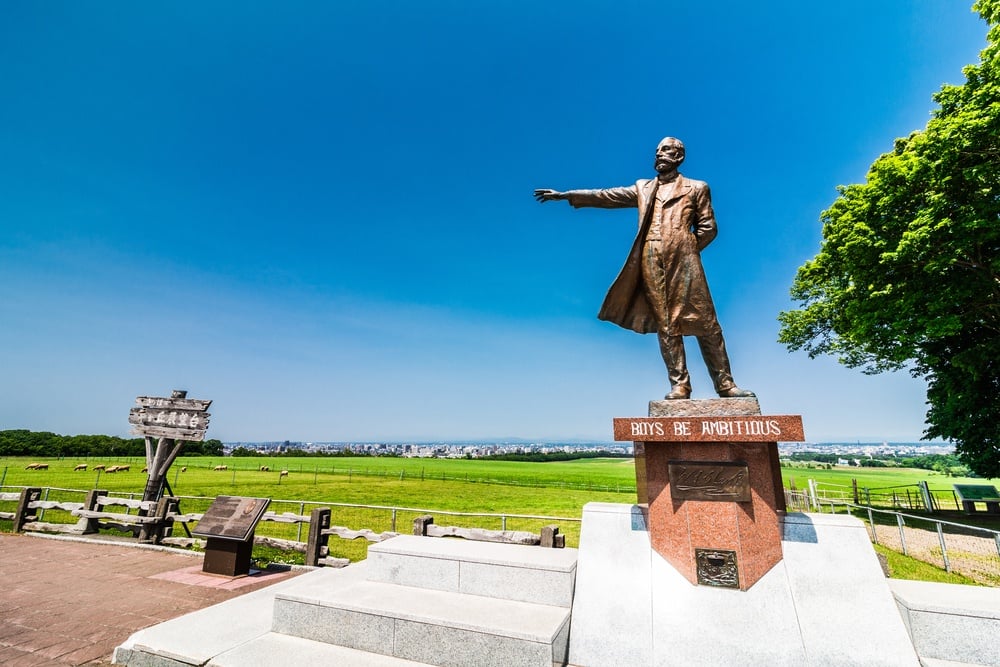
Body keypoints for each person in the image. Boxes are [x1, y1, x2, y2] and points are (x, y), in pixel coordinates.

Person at [534, 136, 753, 400]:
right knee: (666, 324)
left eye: (666, 150)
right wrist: (567, 195)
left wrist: (686, 247)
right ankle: (680, 385)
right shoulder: (644, 188)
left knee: (705, 321)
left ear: (679, 157)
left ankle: (725, 383)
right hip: (650, 257)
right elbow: (607, 196)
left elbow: (708, 227)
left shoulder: (697, 188)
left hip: (684, 259)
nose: (659, 154)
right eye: (657, 150)